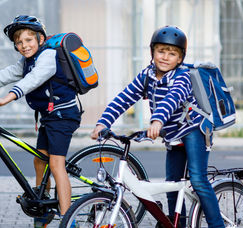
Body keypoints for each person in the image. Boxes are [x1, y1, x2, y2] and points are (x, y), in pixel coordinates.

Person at [91, 26, 225, 228]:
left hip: (194, 129)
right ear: (152, 52)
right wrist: (103, 122)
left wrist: (157, 121)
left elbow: (172, 99)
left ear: (180, 59)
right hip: (173, 133)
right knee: (172, 183)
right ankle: (176, 223)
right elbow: (124, 98)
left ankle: (217, 225)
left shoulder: (183, 76)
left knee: (198, 180)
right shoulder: (147, 76)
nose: (165, 57)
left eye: (172, 53)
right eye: (161, 51)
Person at [0, 15, 81, 228]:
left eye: (28, 40)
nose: (24, 45)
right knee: (40, 161)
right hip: (49, 117)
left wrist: (6, 98)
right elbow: (5, 74)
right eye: (19, 42)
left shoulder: (49, 57)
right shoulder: (27, 61)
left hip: (64, 115)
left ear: (40, 39)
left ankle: (68, 219)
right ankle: (43, 208)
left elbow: (32, 81)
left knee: (56, 165)